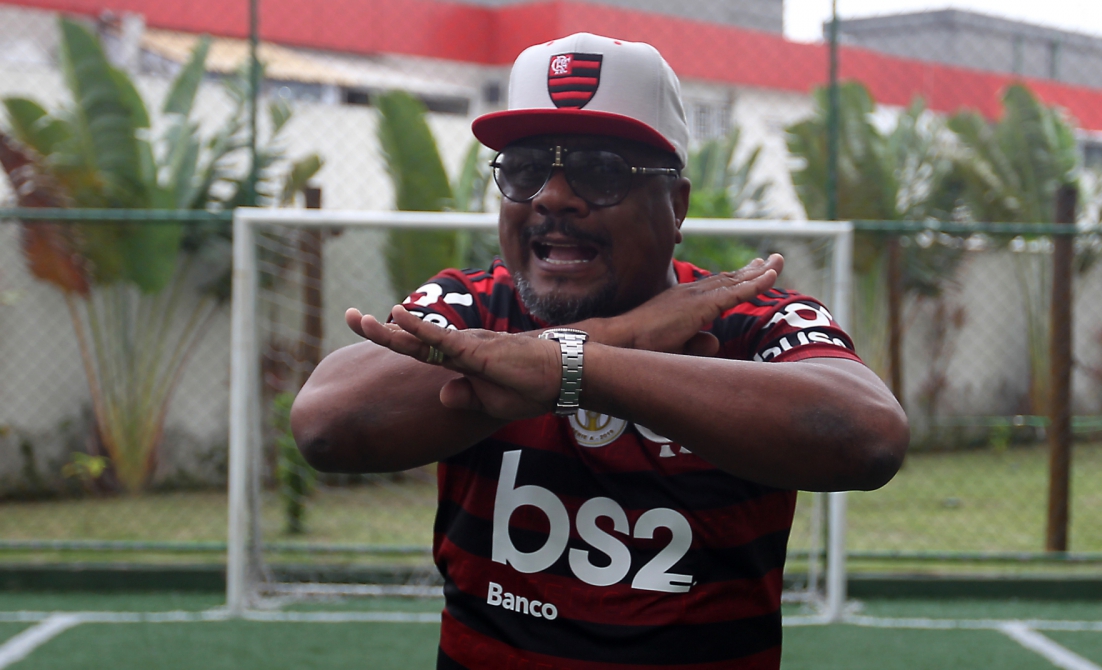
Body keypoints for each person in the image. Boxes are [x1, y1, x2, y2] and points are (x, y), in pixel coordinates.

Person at [291, 32, 908, 669]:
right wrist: (607, 344)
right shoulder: (471, 307)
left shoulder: (748, 318)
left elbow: (865, 438)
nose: (553, 197)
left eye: (600, 170)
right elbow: (330, 427)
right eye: (526, 169)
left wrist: (562, 366)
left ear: (676, 206)